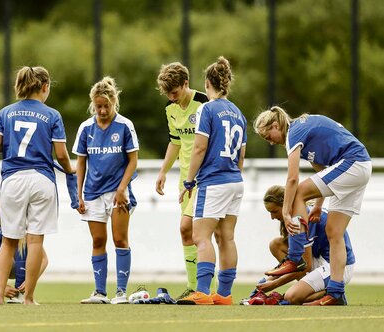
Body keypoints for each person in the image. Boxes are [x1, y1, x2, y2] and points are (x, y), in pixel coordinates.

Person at [253, 106, 371, 306]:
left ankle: (295, 257)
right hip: (361, 167)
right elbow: (323, 171)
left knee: (299, 191)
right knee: (334, 232)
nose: (271, 142)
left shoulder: (293, 132)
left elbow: (292, 179)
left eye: (268, 136)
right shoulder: (303, 132)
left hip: (352, 162)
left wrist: (285, 210)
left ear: (276, 125)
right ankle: (335, 292)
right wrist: (318, 204)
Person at [0, 66, 74, 305]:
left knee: (8, 240)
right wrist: (69, 170)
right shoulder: (52, 115)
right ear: (45, 87)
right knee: (36, 240)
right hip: (42, 180)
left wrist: (12, 145)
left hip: (13, 179)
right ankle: (29, 298)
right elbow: (61, 154)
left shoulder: (5, 113)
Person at [177, 56, 246, 305]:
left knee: (201, 236)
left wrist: (189, 180)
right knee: (226, 237)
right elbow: (241, 156)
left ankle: (203, 291)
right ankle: (224, 294)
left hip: (213, 181)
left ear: (207, 83)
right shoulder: (238, 113)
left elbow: (199, 148)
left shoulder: (207, 108)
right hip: (235, 179)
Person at [73, 77, 139, 305]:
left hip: (116, 192)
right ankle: (100, 292)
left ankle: (121, 292)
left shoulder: (125, 126)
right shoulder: (85, 128)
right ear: (93, 104)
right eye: (98, 106)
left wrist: (122, 189)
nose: (102, 110)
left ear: (114, 103)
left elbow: (133, 160)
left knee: (120, 239)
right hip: (92, 192)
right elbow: (80, 163)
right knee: (98, 240)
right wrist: (78, 195)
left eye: (106, 106)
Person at [155, 62, 211, 300]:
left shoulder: (204, 104)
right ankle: (194, 286)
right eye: (167, 94)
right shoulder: (171, 109)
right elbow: (175, 142)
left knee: (190, 229)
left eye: (174, 92)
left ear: (186, 83)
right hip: (184, 181)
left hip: (204, 178)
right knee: (188, 235)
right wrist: (163, 171)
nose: (171, 97)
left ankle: (205, 288)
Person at [244, 185, 355, 305]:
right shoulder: (296, 215)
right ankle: (311, 290)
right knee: (276, 245)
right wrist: (266, 281)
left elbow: (304, 267)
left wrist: (273, 284)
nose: (272, 217)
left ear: (286, 205)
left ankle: (334, 294)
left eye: (274, 211)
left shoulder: (304, 217)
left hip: (337, 266)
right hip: (319, 259)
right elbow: (295, 263)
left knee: (291, 297)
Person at [0, 202, 49, 304]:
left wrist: (30, 281)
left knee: (25, 245)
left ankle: (21, 294)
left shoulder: (25, 224)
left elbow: (43, 259)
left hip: (16, 264)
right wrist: (1, 287)